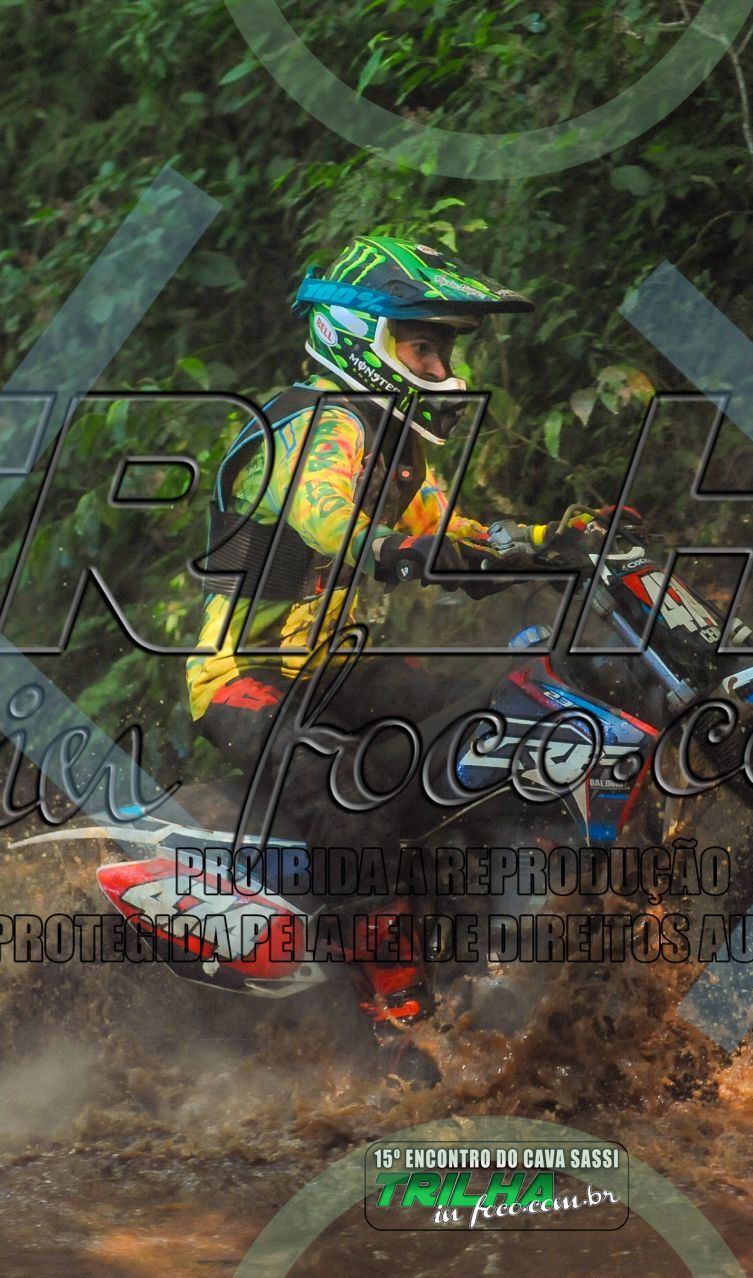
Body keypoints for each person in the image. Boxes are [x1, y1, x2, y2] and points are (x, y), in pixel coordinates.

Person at [183, 235, 557, 1085]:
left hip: (337, 669)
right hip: (244, 678)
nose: (439, 366)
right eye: (422, 347)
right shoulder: (315, 420)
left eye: (443, 350)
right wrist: (386, 546)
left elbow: (455, 532)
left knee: (494, 716)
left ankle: (489, 937)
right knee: (348, 809)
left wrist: (555, 539)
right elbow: (321, 510)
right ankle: (398, 1029)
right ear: (364, 337)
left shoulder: (398, 445)